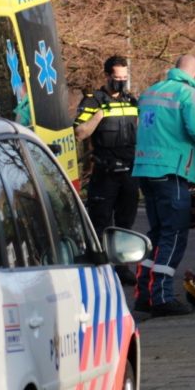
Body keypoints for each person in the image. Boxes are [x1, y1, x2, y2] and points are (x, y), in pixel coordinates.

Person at [132, 54, 195, 316]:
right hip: (173, 171)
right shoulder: (188, 94)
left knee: (156, 234)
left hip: (145, 169)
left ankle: (143, 293)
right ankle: (162, 297)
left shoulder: (149, 92)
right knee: (174, 234)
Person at [73, 55, 140, 283]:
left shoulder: (132, 101)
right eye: (117, 77)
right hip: (105, 172)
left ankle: (122, 268)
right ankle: (101, 269)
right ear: (107, 76)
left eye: (124, 77)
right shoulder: (93, 101)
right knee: (100, 221)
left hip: (129, 171)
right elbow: (79, 132)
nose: (121, 82)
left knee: (126, 222)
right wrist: (98, 117)